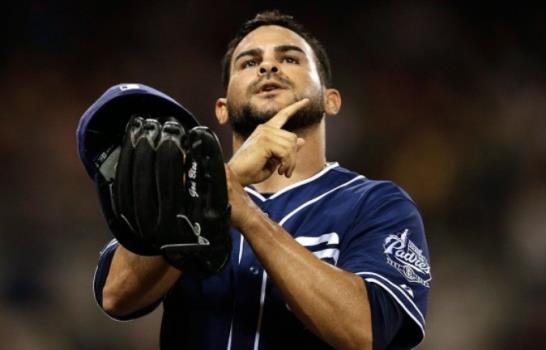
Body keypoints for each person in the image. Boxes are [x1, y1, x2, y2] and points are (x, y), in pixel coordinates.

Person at [93, 10, 431, 350]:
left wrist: (248, 215)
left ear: (330, 100)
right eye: (248, 62)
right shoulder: (182, 192)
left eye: (289, 58)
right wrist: (223, 182)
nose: (268, 66)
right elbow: (116, 296)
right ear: (222, 108)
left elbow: (367, 332)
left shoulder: (378, 204)